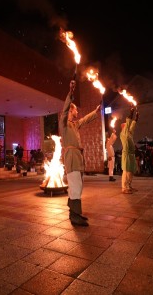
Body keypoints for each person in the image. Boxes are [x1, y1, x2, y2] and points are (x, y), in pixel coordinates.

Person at [59, 80, 100, 226]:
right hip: (71, 158)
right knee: (75, 186)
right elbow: (64, 110)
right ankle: (75, 216)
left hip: (77, 158)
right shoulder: (64, 123)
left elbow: (84, 120)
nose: (77, 112)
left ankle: (75, 213)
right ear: (71, 110)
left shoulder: (74, 125)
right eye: (75, 109)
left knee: (77, 186)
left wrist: (95, 113)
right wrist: (70, 93)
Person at [120, 107, 139, 194]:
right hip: (126, 154)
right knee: (126, 171)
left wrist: (136, 118)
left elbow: (132, 126)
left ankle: (129, 186)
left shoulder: (129, 134)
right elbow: (128, 123)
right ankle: (124, 188)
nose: (127, 126)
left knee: (130, 171)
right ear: (123, 128)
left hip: (131, 155)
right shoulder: (123, 134)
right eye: (126, 125)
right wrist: (131, 112)